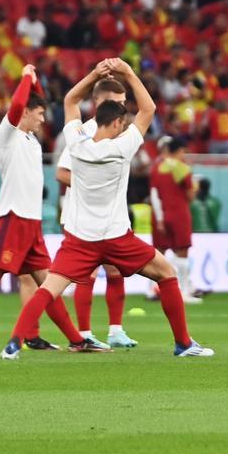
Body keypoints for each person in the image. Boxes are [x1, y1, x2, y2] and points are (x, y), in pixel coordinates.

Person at [1, 58, 212, 360]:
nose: (124, 128)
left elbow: (71, 99)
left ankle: (13, 344)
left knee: (48, 288)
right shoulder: (122, 147)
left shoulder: (76, 143)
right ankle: (183, 343)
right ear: (116, 123)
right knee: (166, 273)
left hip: (81, 238)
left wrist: (94, 74)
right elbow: (149, 109)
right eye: (122, 124)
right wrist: (128, 72)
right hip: (115, 237)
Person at [0, 65, 88, 354]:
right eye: (38, 113)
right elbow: (17, 104)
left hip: (32, 223)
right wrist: (27, 76)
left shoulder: (31, 139)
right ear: (26, 113)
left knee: (48, 285)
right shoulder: (7, 134)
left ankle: (77, 340)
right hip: (11, 219)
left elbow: (30, 103)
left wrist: (36, 85)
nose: (42, 118)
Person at [56, 77, 137, 348]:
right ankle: (85, 332)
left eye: (124, 103)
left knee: (116, 272)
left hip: (111, 216)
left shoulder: (121, 133)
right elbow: (61, 172)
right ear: (100, 102)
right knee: (87, 275)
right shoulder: (83, 131)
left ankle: (115, 330)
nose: (122, 109)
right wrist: (92, 183)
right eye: (118, 103)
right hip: (83, 215)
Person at [151, 135, 202, 306]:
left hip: (161, 214)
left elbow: (154, 193)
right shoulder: (182, 168)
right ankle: (185, 291)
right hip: (179, 214)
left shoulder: (158, 167)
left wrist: (158, 218)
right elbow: (190, 195)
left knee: (159, 252)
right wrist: (195, 189)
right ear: (179, 151)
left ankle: (152, 288)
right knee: (182, 252)